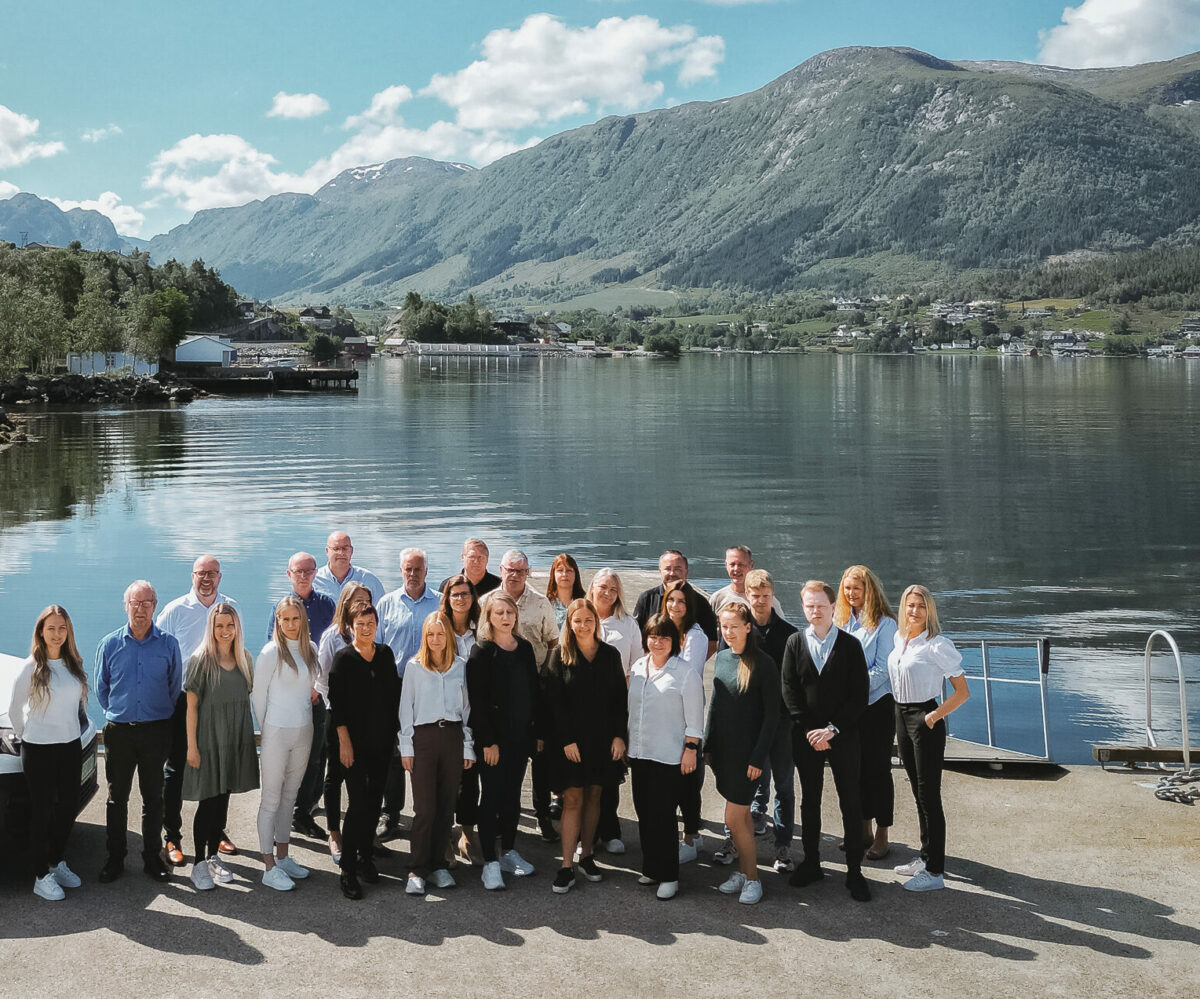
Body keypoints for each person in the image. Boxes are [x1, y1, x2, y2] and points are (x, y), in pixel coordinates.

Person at [781, 580, 872, 903]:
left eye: (821, 605)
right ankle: (812, 862)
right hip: (806, 737)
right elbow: (790, 691)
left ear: (834, 607)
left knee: (850, 800)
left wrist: (833, 729)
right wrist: (809, 730)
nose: (815, 611)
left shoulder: (849, 645)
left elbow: (859, 695)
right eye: (809, 606)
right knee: (811, 801)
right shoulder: (795, 643)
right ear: (803, 608)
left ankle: (854, 872)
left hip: (844, 735)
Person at [94, 580, 182, 884]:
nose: (140, 609)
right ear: (126, 605)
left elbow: (174, 688)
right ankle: (115, 859)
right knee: (116, 798)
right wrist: (122, 711)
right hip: (119, 732)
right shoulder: (110, 644)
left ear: (155, 605)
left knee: (153, 798)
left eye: (146, 603)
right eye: (135, 603)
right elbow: (101, 688)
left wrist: (153, 714)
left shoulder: (169, 644)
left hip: (156, 731)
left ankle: (151, 858)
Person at [157, 555, 238, 866]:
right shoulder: (175, 610)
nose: (207, 579)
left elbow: (238, 649)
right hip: (183, 700)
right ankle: (172, 837)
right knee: (176, 769)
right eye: (201, 573)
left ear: (220, 577)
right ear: (192, 576)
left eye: (212, 574)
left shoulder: (231, 607)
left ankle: (216, 831)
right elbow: (159, 651)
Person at [888, 584, 970, 893]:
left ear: (929, 610)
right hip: (900, 715)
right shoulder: (901, 638)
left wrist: (933, 717)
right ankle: (925, 856)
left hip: (925, 718)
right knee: (917, 791)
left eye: (921, 606)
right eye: (910, 605)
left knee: (929, 796)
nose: (914, 611)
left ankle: (935, 872)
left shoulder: (937, 645)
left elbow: (963, 692)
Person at [543, 599, 628, 894]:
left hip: (603, 741)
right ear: (569, 623)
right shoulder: (558, 656)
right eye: (576, 620)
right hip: (569, 744)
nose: (582, 625)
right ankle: (566, 865)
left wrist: (620, 736)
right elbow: (553, 704)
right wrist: (566, 740)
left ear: (596, 621)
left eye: (588, 620)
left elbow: (620, 700)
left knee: (595, 797)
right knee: (573, 800)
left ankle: (587, 855)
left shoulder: (610, 655)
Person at [8, 606, 89, 900]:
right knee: (41, 812)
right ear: (41, 632)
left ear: (68, 633)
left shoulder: (72, 664)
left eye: (62, 628)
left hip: (69, 746)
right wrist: (25, 736)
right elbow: (15, 710)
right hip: (38, 748)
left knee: (67, 807)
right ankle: (40, 875)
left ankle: (56, 861)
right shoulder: (30, 668)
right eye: (51, 628)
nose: (57, 634)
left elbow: (76, 707)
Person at [464, 590, 543, 890]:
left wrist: (536, 735)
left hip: (520, 738)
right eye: (500, 613)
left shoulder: (523, 648)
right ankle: (490, 863)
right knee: (492, 798)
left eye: (510, 613)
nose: (506, 618)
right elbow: (478, 702)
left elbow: (532, 693)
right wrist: (487, 742)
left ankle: (509, 851)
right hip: (493, 742)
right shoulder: (481, 652)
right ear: (489, 617)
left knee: (512, 797)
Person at [704, 601, 780, 905]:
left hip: (748, 757)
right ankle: (743, 871)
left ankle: (753, 880)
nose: (729, 631)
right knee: (743, 818)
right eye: (724, 626)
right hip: (724, 752)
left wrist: (758, 758)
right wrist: (708, 745)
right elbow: (716, 706)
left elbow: (772, 717)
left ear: (748, 627)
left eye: (735, 626)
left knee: (734, 818)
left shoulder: (764, 664)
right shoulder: (722, 658)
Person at [183, 603, 259, 891]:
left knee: (223, 800)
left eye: (230, 625)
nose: (225, 631)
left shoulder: (245, 659)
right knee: (208, 802)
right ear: (211, 628)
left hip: (235, 739)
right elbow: (191, 707)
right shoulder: (201, 660)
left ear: (237, 627)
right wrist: (192, 747)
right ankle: (198, 864)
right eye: (219, 626)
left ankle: (214, 856)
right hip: (208, 740)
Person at [627, 614, 703, 900]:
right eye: (653, 636)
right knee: (643, 813)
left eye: (665, 637)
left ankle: (670, 875)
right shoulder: (637, 667)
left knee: (663, 817)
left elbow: (695, 717)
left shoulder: (685, 673)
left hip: (670, 756)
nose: (657, 642)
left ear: (676, 642)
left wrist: (691, 749)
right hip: (640, 752)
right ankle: (652, 868)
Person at [328, 605, 401, 900]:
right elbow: (337, 706)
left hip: (381, 744)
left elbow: (393, 698)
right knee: (358, 804)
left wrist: (396, 738)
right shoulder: (343, 659)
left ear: (377, 624)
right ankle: (347, 868)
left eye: (371, 623)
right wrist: (344, 742)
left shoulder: (385, 655)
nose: (366, 628)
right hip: (353, 746)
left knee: (373, 803)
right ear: (351, 626)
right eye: (361, 624)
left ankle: (365, 858)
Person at [399, 612, 474, 896]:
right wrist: (406, 747)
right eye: (430, 634)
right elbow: (406, 708)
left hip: (452, 736)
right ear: (424, 637)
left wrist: (467, 746)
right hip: (424, 739)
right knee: (424, 809)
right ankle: (417, 868)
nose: (435, 639)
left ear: (449, 637)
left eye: (440, 634)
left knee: (445, 806)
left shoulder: (460, 667)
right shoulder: (415, 667)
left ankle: (439, 865)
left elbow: (467, 709)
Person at [266, 552, 334, 841]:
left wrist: (317, 688)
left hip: (319, 694)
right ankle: (291, 811)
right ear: (289, 574)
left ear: (316, 573)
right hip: (292, 697)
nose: (303, 576)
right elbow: (275, 651)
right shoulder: (283, 608)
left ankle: (305, 808)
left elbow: (331, 646)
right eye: (298, 571)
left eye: (308, 571)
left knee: (318, 756)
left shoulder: (327, 604)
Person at [253, 597, 318, 891]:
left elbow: (314, 690)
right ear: (277, 621)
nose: (291, 625)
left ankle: (283, 856)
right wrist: (267, 730)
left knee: (290, 798)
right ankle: (268, 866)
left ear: (303, 620)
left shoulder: (311, 650)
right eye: (285, 619)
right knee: (271, 799)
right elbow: (257, 696)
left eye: (296, 619)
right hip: (276, 732)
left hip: (304, 731)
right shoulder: (270, 653)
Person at [835, 565, 899, 861]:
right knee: (854, 770)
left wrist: (853, 690)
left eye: (857, 588)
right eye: (847, 588)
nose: (851, 593)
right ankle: (863, 829)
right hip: (850, 710)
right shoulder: (841, 621)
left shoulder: (885, 624)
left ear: (869, 589)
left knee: (878, 771)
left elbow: (883, 668)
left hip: (876, 708)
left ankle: (883, 834)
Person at [376, 548, 442, 836]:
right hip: (395, 686)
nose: (412, 574)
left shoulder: (440, 604)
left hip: (431, 686)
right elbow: (376, 648)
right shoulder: (387, 604)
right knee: (394, 752)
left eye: (417, 569)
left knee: (428, 746)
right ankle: (391, 813)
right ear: (400, 571)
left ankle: (428, 813)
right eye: (407, 569)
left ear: (426, 570)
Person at [497, 548, 558, 843]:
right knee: (508, 755)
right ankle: (504, 813)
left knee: (541, 755)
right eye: (510, 569)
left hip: (539, 687)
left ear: (528, 572)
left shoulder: (541, 602)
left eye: (520, 571)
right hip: (504, 691)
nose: (515, 575)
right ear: (501, 570)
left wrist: (546, 677)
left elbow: (553, 642)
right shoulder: (489, 603)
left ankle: (543, 815)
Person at [740, 569, 798, 871]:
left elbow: (796, 681)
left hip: (783, 722)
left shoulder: (789, 634)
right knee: (750, 782)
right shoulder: (739, 630)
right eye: (755, 596)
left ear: (772, 596)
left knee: (784, 785)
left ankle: (783, 846)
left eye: (765, 596)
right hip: (751, 721)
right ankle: (742, 837)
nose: (760, 601)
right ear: (746, 596)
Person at [316, 582, 374, 864]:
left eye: (365, 601)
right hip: (336, 716)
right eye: (355, 601)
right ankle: (334, 832)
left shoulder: (370, 632)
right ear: (345, 604)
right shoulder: (332, 638)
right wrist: (340, 716)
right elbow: (325, 682)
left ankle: (363, 832)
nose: (360, 606)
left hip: (364, 719)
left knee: (361, 777)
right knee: (335, 774)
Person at [586, 567, 640, 853]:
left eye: (613, 589)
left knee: (611, 769)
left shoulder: (627, 623)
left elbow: (637, 665)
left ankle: (611, 830)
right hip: (583, 705)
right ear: (592, 587)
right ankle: (587, 833)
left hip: (616, 704)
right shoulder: (580, 616)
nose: (607, 593)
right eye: (603, 586)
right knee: (585, 770)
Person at [661, 580, 709, 864]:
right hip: (664, 713)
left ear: (689, 607)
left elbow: (687, 676)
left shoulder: (696, 636)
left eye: (681, 602)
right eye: (671, 600)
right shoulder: (662, 629)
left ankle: (691, 837)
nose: (675, 606)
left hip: (686, 713)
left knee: (687, 777)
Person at [440, 574, 483, 864]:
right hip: (445, 712)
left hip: (475, 710)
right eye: (455, 594)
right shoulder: (438, 630)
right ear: (447, 599)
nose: (460, 599)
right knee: (445, 778)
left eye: (465, 593)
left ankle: (467, 832)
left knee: (470, 777)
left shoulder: (481, 631)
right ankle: (444, 836)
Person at [633, 550, 719, 655]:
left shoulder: (700, 602)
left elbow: (712, 640)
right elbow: (636, 636)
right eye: (668, 569)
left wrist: (696, 662)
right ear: (660, 571)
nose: (672, 573)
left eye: (677, 569)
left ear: (686, 571)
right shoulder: (646, 598)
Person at [314, 531, 386, 606]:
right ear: (327, 551)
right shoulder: (314, 580)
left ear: (351, 551)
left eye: (345, 548)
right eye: (336, 549)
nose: (341, 553)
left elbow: (381, 613)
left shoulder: (369, 580)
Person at [709, 546, 783, 616]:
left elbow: (782, 628)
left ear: (751, 565)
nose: (736, 569)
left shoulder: (767, 602)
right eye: (732, 564)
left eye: (741, 564)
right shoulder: (717, 598)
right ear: (726, 565)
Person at [545, 553, 587, 629]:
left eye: (569, 570)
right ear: (553, 574)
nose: (564, 574)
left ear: (575, 574)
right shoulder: (545, 604)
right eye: (560, 570)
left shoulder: (585, 602)